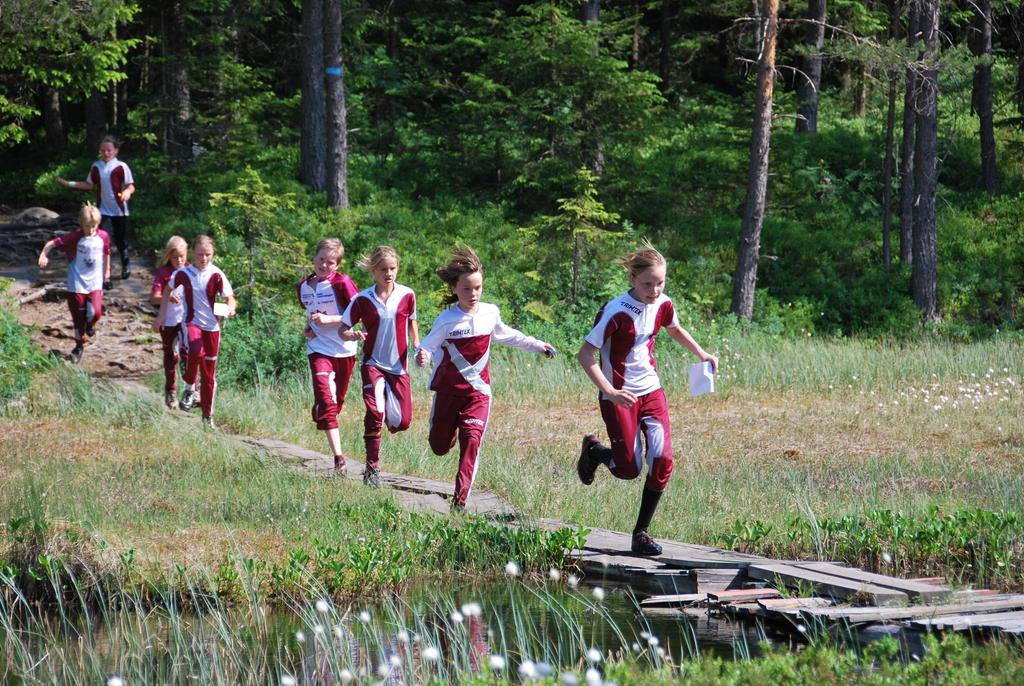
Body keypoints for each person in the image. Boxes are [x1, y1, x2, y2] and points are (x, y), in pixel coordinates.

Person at [575, 241, 718, 556]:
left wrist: (702, 353)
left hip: (651, 390)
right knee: (628, 469)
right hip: (619, 396)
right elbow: (585, 354)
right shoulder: (615, 311)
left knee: (663, 459)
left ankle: (640, 534)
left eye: (660, 283)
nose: (654, 290)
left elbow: (675, 329)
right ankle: (595, 451)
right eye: (647, 284)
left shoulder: (664, 304)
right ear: (632, 279)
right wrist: (610, 392)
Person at [416, 247, 556, 512]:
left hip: (478, 393)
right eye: (467, 289)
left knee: (472, 439)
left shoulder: (490, 313)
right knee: (439, 447)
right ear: (455, 289)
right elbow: (426, 346)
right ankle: (447, 432)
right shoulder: (447, 320)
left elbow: (508, 335)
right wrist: (421, 355)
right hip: (448, 392)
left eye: (478, 288)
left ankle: (459, 501)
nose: (473, 294)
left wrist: (538, 345)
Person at [336, 246, 420, 487]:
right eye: (383, 269)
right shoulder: (362, 299)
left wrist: (417, 346)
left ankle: (383, 411)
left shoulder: (407, 295)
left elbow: (412, 322)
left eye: (393, 268)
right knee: (375, 413)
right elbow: (343, 329)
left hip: (399, 367)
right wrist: (352, 335)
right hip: (373, 364)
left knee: (402, 422)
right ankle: (372, 469)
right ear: (374, 271)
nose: (389, 273)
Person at [155, 235, 236, 429]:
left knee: (209, 376)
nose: (204, 258)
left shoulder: (217, 274)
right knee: (194, 350)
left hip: (213, 328)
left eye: (208, 254)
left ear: (213, 254)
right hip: (191, 322)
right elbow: (167, 291)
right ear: (193, 253)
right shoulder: (183, 273)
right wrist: (161, 316)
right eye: (200, 254)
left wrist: (230, 308)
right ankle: (190, 387)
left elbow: (230, 297)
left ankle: (208, 416)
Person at [296, 238, 359, 473]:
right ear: (314, 258)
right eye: (321, 259)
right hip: (318, 349)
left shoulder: (342, 283)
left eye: (330, 262)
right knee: (328, 403)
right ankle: (339, 460)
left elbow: (358, 312)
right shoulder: (303, 286)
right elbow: (310, 313)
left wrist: (330, 320)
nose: (324, 265)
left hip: (344, 350)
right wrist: (310, 328)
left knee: (336, 403)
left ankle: (322, 408)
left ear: (337, 265)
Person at [37, 203, 110, 363]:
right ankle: (79, 347)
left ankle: (90, 325)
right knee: (78, 318)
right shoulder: (74, 237)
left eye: (94, 226)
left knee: (96, 312)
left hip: (95, 283)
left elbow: (106, 253)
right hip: (77, 284)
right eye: (87, 226)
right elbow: (52, 243)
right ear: (81, 224)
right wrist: (44, 254)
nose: (91, 230)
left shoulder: (103, 236)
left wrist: (107, 271)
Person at [56, 134, 136, 281]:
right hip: (102, 211)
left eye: (109, 150)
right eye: (103, 150)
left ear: (116, 151)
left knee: (120, 239)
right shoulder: (96, 166)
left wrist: (127, 192)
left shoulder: (121, 167)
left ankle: (126, 265)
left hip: (119, 211)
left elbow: (131, 186)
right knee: (102, 241)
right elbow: (88, 185)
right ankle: (105, 275)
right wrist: (69, 183)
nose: (106, 153)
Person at [150, 236, 189, 409]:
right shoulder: (164, 273)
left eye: (182, 256)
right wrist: (167, 296)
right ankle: (170, 390)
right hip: (168, 320)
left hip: (187, 321)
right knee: (171, 357)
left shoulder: (191, 271)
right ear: (168, 256)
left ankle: (190, 392)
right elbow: (154, 297)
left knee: (188, 355)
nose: (179, 260)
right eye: (175, 257)